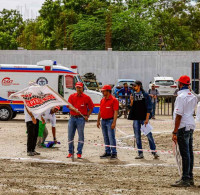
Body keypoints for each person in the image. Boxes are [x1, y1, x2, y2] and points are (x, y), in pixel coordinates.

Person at [171, 75, 197, 187]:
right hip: (190, 124)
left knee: (185, 153)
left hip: (182, 126)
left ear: (180, 84)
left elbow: (178, 116)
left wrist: (174, 131)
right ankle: (189, 177)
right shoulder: (193, 96)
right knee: (189, 153)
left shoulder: (181, 97)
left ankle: (185, 178)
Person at [128, 81, 159, 159]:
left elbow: (149, 107)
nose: (133, 88)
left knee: (149, 135)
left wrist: (147, 118)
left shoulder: (145, 95)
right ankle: (140, 153)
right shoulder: (133, 95)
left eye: (134, 86)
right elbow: (131, 107)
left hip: (143, 118)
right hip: (136, 118)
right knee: (137, 137)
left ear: (139, 86)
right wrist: (131, 101)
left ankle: (154, 152)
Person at [67, 82, 94, 159]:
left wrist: (87, 115)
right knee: (70, 136)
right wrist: (74, 109)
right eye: (77, 87)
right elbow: (68, 105)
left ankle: (79, 153)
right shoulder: (72, 96)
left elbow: (91, 107)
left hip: (81, 119)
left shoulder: (86, 97)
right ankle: (70, 152)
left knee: (81, 136)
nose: (78, 89)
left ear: (82, 88)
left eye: (80, 87)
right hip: (72, 118)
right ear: (75, 88)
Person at [97, 85, 119, 159]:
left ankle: (114, 152)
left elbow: (116, 112)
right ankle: (107, 151)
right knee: (106, 137)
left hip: (110, 121)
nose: (102, 92)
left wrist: (114, 122)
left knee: (111, 137)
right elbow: (100, 111)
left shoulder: (114, 100)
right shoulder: (102, 100)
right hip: (103, 120)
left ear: (108, 91)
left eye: (103, 91)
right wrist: (98, 121)